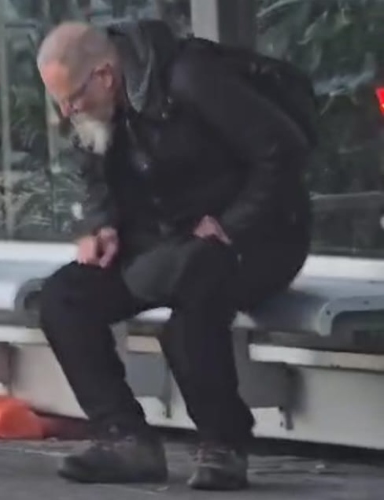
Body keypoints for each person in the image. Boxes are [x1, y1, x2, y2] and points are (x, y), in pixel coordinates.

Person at [35, 20, 312, 491]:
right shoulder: (97, 107)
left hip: (257, 236)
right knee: (64, 297)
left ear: (104, 74)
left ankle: (223, 445)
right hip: (166, 239)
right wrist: (100, 225)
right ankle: (124, 438)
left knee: (193, 295)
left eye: (73, 97)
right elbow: (93, 169)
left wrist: (232, 222)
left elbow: (282, 150)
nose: (67, 110)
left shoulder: (190, 78)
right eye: (58, 100)